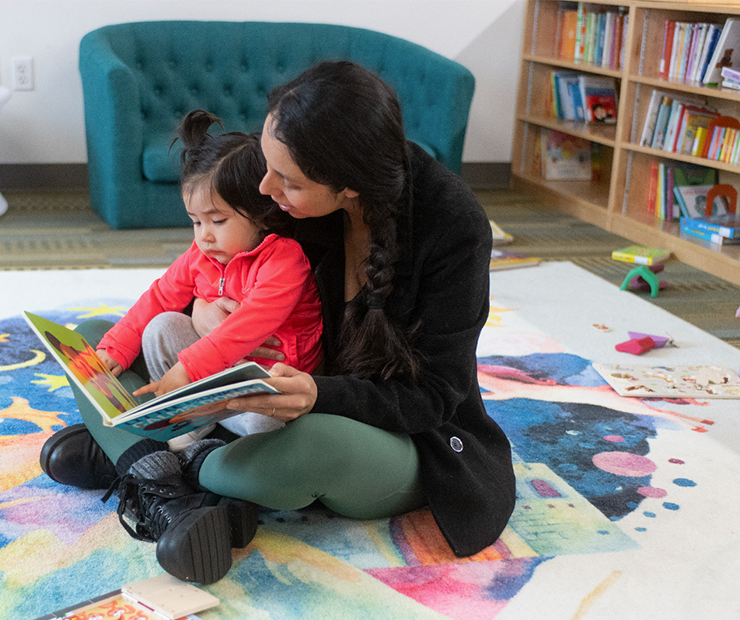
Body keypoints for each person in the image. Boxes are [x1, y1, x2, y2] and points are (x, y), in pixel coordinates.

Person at [42, 62, 516, 585]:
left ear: (349, 186)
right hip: (253, 392)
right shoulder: (283, 192)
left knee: (309, 446)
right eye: (268, 166)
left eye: (285, 180)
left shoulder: (452, 227)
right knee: (90, 340)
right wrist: (200, 311)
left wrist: (319, 394)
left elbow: (434, 397)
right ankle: (177, 492)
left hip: (378, 429)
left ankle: (146, 461)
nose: (265, 188)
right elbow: (201, 269)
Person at [39, 109, 322, 581]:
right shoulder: (202, 255)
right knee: (163, 324)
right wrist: (113, 351)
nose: (203, 235)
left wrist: (186, 374)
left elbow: (245, 329)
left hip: (265, 398)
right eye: (195, 221)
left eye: (217, 220)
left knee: (256, 407)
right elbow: (157, 298)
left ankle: (169, 463)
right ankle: (186, 453)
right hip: (212, 390)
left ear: (260, 212)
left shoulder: (285, 260)